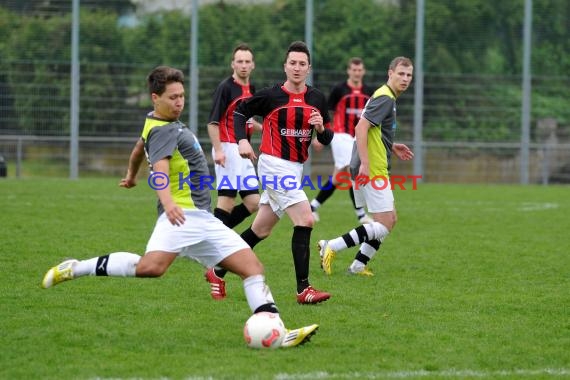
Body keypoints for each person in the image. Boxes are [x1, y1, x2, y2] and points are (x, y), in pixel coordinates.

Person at [41, 65, 318, 348]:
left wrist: (130, 174)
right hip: (181, 217)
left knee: (252, 267)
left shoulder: (156, 124)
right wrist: (168, 202)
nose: (179, 102)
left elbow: (139, 148)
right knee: (151, 267)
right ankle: (77, 268)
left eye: (182, 96)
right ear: (155, 98)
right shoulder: (161, 130)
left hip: (203, 219)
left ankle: (277, 332)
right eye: (172, 97)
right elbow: (159, 170)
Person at [217, 41, 334, 305]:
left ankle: (217, 268)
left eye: (302, 63)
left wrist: (320, 129)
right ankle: (303, 289)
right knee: (305, 219)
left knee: (261, 229)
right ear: (285, 66)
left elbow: (327, 139)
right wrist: (242, 141)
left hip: (294, 168)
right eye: (292, 62)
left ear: (308, 68)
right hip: (272, 164)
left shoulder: (317, 99)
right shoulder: (271, 96)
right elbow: (239, 111)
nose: (296, 67)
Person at [318, 56, 415, 276]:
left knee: (389, 220)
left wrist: (391, 145)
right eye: (401, 73)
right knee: (385, 223)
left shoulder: (386, 96)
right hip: (372, 168)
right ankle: (331, 246)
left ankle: (358, 266)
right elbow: (361, 128)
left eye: (409, 75)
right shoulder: (385, 98)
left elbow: (373, 131)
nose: (405, 78)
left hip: (371, 165)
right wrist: (366, 163)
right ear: (390, 73)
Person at [204, 43, 262, 300]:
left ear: (253, 65)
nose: (244, 65)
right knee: (226, 203)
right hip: (228, 150)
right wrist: (218, 150)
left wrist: (257, 126)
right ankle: (213, 252)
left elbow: (244, 117)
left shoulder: (252, 89)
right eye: (239, 61)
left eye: (248, 61)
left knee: (254, 203)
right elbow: (213, 122)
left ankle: (219, 240)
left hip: (244, 151)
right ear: (233, 64)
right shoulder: (225, 87)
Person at [310, 57, 374, 225]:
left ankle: (312, 207)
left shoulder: (368, 91)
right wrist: (322, 135)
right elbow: (327, 112)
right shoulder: (339, 89)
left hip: (357, 137)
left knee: (338, 177)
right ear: (348, 71)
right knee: (353, 170)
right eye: (354, 69)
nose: (357, 72)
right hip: (340, 135)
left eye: (360, 70)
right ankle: (361, 214)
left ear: (363, 71)